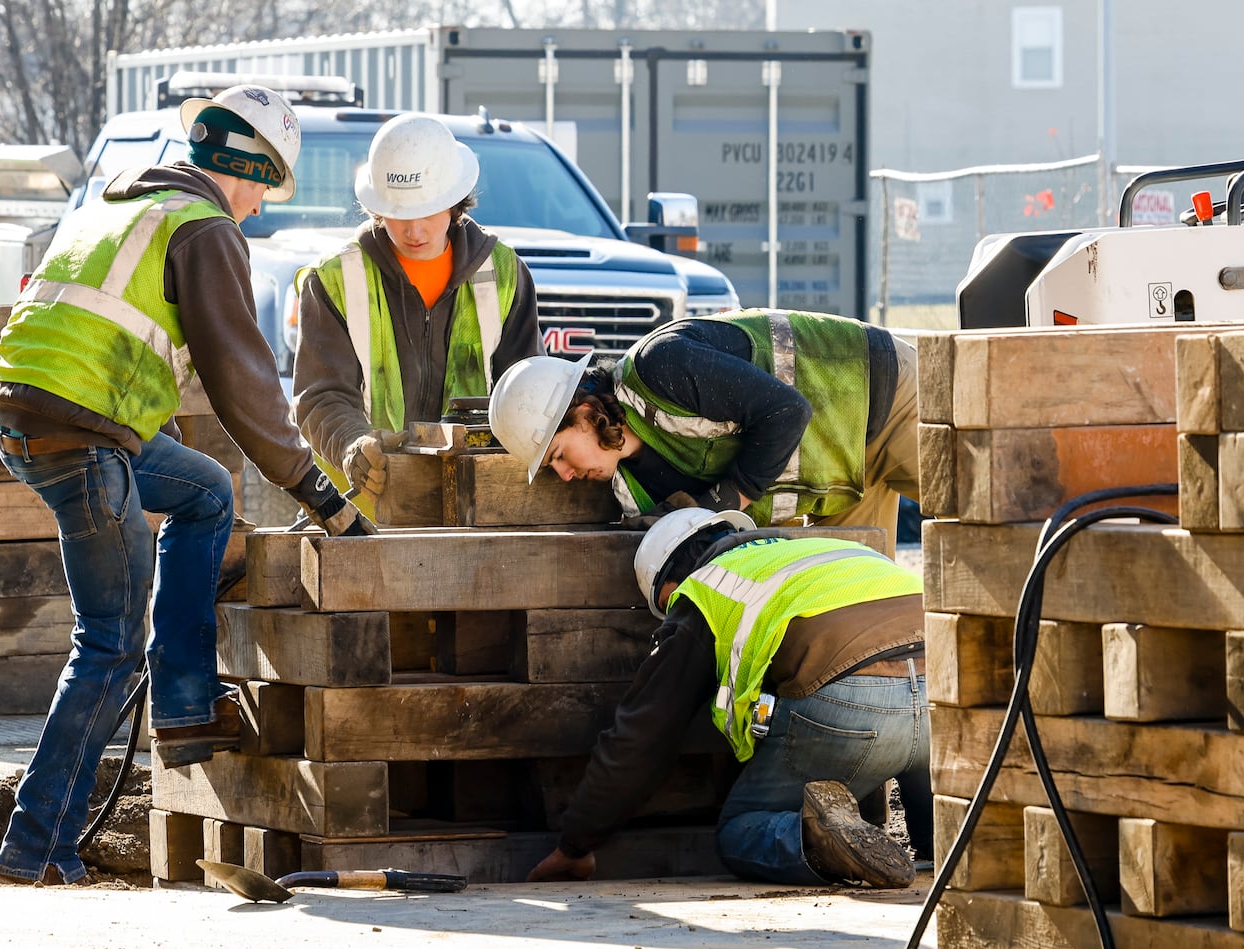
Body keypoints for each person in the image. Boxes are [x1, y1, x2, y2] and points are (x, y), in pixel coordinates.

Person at [0, 84, 373, 887]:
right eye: (265, 185)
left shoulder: (117, 208)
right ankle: (34, 850)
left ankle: (187, 702)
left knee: (203, 490)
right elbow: (245, 384)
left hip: (42, 420)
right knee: (108, 645)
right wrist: (320, 494)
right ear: (243, 166)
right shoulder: (205, 229)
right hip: (82, 440)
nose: (260, 207)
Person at [526, 508, 931, 888]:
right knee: (941, 810)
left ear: (672, 580)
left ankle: (813, 837)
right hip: (942, 693)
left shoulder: (705, 587)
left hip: (854, 709)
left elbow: (643, 735)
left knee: (742, 830)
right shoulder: (837, 553)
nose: (673, 615)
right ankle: (947, 835)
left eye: (668, 606)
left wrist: (575, 844)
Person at [488, 308, 918, 556]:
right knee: (865, 601)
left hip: (876, 393)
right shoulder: (634, 489)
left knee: (979, 523)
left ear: (583, 411)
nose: (563, 474)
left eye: (558, 455)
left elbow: (786, 411)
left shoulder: (661, 366)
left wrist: (724, 501)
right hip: (838, 472)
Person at [293, 111, 542, 513]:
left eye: (427, 212)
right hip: (368, 510)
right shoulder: (335, 280)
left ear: (455, 201)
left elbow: (528, 393)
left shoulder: (504, 274)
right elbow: (320, 397)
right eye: (400, 215)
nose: (414, 231)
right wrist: (353, 445)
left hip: (479, 507)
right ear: (377, 207)